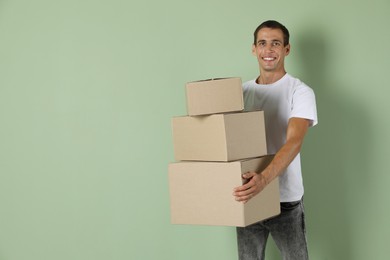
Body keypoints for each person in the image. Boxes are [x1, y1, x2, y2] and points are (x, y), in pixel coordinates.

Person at [233, 20, 318, 260]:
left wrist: (264, 180)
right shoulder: (241, 93)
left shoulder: (300, 91)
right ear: (253, 49)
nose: (268, 50)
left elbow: (293, 142)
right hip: (248, 194)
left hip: (286, 201)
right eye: (262, 43)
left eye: (275, 43)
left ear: (286, 49)